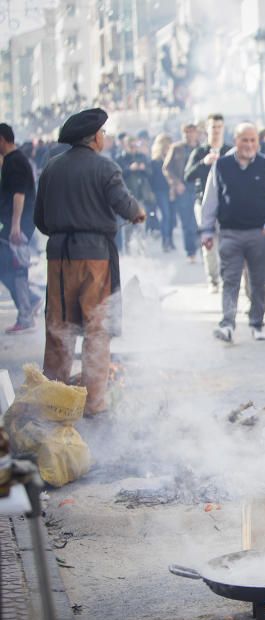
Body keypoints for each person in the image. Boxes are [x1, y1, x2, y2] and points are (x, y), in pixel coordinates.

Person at [34, 108, 146, 417]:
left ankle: (54, 402)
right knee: (97, 329)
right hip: (95, 257)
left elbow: (40, 221)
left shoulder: (52, 167)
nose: (105, 138)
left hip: (58, 257)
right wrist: (138, 212)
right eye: (104, 134)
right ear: (95, 137)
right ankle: (94, 403)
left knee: (58, 328)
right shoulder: (104, 167)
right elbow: (125, 205)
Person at [200, 123, 265, 343]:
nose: (248, 144)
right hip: (230, 234)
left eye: (252, 140)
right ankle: (227, 324)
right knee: (230, 280)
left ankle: (257, 322)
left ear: (258, 142)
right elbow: (210, 200)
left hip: (260, 234)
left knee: (258, 281)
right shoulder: (222, 166)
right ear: (235, 141)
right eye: (244, 140)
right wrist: (207, 231)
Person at [0, 123, 42, 334]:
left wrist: (16, 225)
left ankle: (26, 314)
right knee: (7, 267)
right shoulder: (11, 160)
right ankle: (31, 301)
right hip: (14, 223)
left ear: (2, 139)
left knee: (15, 268)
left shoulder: (14, 161)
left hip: (17, 224)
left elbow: (19, 194)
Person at [185, 113, 231, 292]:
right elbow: (187, 175)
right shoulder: (199, 151)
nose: (217, 130)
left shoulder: (230, 150)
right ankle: (213, 279)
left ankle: (228, 276)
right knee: (208, 240)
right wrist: (204, 163)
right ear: (207, 129)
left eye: (219, 127)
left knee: (228, 242)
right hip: (203, 202)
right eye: (213, 127)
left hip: (227, 203)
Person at [164, 123, 201, 262]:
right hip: (183, 188)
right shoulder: (177, 148)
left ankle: (202, 248)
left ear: (196, 133)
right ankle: (190, 252)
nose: (189, 134)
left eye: (192, 131)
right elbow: (167, 168)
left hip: (199, 188)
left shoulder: (201, 148)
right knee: (187, 222)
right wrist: (176, 183)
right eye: (186, 132)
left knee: (199, 222)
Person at [150, 133, 175, 252]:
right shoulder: (155, 161)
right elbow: (153, 179)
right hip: (160, 191)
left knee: (172, 217)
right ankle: (165, 240)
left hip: (172, 190)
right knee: (166, 215)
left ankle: (170, 240)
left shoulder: (172, 159)